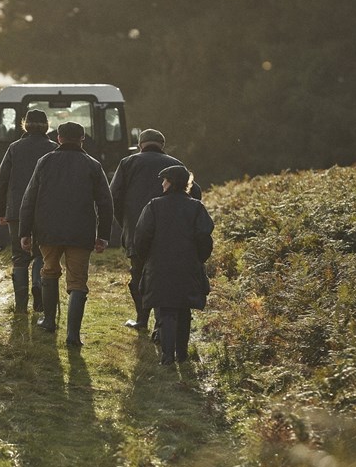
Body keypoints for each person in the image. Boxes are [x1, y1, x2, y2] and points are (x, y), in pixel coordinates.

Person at [19, 121, 114, 347]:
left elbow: (29, 199)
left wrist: (24, 232)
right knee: (78, 282)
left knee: (49, 271)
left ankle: (50, 321)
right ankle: (73, 335)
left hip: (48, 230)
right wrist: (103, 235)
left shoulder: (45, 162)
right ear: (82, 139)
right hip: (81, 232)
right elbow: (105, 203)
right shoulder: (92, 165)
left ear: (59, 138)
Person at [109, 128, 193, 331]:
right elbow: (191, 194)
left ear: (140, 144)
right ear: (162, 145)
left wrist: (126, 223)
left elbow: (114, 196)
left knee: (138, 275)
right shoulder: (176, 164)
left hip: (137, 229)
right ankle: (162, 325)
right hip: (170, 232)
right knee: (164, 275)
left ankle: (142, 319)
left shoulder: (128, 163)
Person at [134, 165, 214, 365]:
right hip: (188, 266)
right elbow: (205, 238)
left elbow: (142, 237)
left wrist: (145, 259)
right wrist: (198, 259)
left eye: (164, 180)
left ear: (170, 182)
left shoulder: (153, 206)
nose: (162, 184)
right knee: (184, 310)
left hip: (159, 266)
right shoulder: (196, 207)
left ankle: (167, 356)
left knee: (166, 310)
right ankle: (183, 355)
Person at [0, 109, 58, 314]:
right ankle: (38, 289)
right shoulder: (54, 149)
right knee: (43, 253)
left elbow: (1, 182)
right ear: (46, 126)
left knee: (19, 257)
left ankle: (21, 306)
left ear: (25, 125)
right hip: (46, 211)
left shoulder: (14, 148)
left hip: (16, 212)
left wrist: (2, 210)